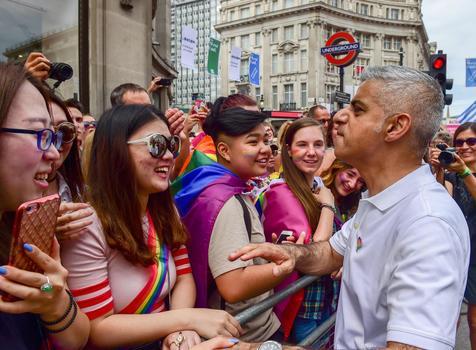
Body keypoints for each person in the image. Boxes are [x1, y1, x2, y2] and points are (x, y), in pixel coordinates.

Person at [230, 65, 470, 349]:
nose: (339, 116)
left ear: (395, 127)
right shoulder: (377, 199)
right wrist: (290, 253)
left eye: (357, 110)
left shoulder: (428, 225)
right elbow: (331, 252)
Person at [61, 104, 241, 349]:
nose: (168, 156)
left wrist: (179, 331)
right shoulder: (86, 225)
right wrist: (187, 319)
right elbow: (96, 329)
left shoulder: (165, 211)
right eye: (156, 144)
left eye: (172, 145)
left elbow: (184, 278)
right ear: (115, 151)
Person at [173, 98, 282, 342]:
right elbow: (233, 286)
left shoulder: (211, 184)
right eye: (253, 142)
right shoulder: (226, 201)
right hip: (245, 335)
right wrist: (287, 260)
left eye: (265, 140)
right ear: (223, 151)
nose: (265, 149)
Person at [0, 62, 89, 349]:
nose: (54, 153)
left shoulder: (22, 236)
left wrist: (54, 299)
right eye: (40, 134)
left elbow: (77, 339)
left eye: (57, 136)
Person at [259, 118, 336, 341]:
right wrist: (328, 205)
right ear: (289, 151)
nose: (311, 152)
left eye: (318, 144)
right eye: (302, 145)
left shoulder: (318, 186)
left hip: (324, 299)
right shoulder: (280, 191)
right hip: (299, 306)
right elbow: (313, 252)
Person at [431, 122, 476, 348]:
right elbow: (441, 200)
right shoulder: (451, 173)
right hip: (453, 255)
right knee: (448, 319)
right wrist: (438, 169)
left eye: (471, 141)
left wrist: (465, 172)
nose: (465, 146)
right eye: (459, 142)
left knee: (475, 321)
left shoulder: (463, 173)